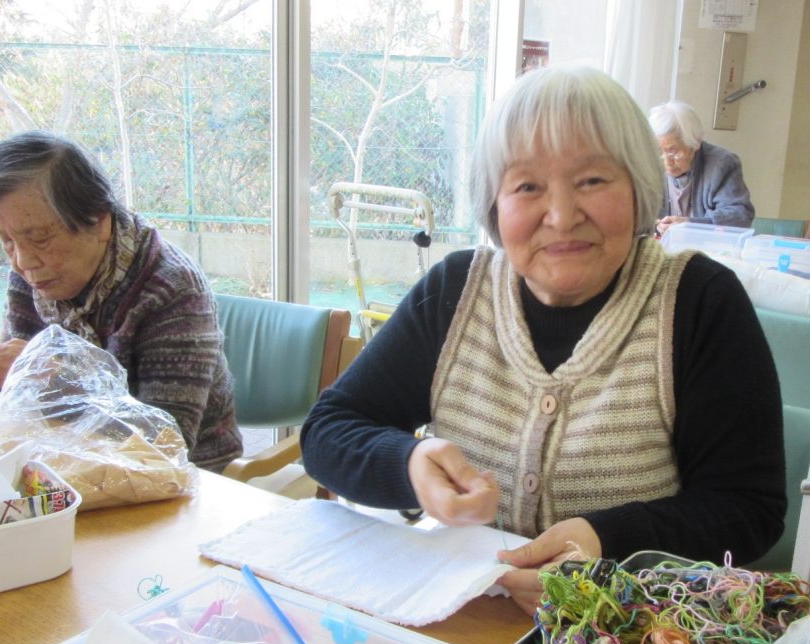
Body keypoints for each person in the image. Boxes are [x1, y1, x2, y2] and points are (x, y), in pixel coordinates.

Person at [300, 65, 786, 614]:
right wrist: (408, 463)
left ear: (639, 189)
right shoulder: (455, 291)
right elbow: (326, 432)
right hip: (460, 617)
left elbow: (749, 509)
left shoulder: (698, 302)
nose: (560, 216)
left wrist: (609, 543)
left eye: (592, 181)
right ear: (495, 205)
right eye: (527, 186)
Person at [0, 131, 243, 472]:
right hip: (63, 454)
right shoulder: (32, 269)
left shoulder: (170, 288)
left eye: (40, 237)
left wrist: (49, 379)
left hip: (187, 478)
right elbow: (16, 397)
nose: (23, 261)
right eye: (6, 240)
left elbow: (165, 441)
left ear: (100, 222)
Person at [647, 100, 755, 236]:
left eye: (673, 152)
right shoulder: (649, 163)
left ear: (695, 143)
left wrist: (691, 225)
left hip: (709, 249)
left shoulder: (721, 164)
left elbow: (740, 215)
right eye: (659, 151)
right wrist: (657, 226)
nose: (667, 161)